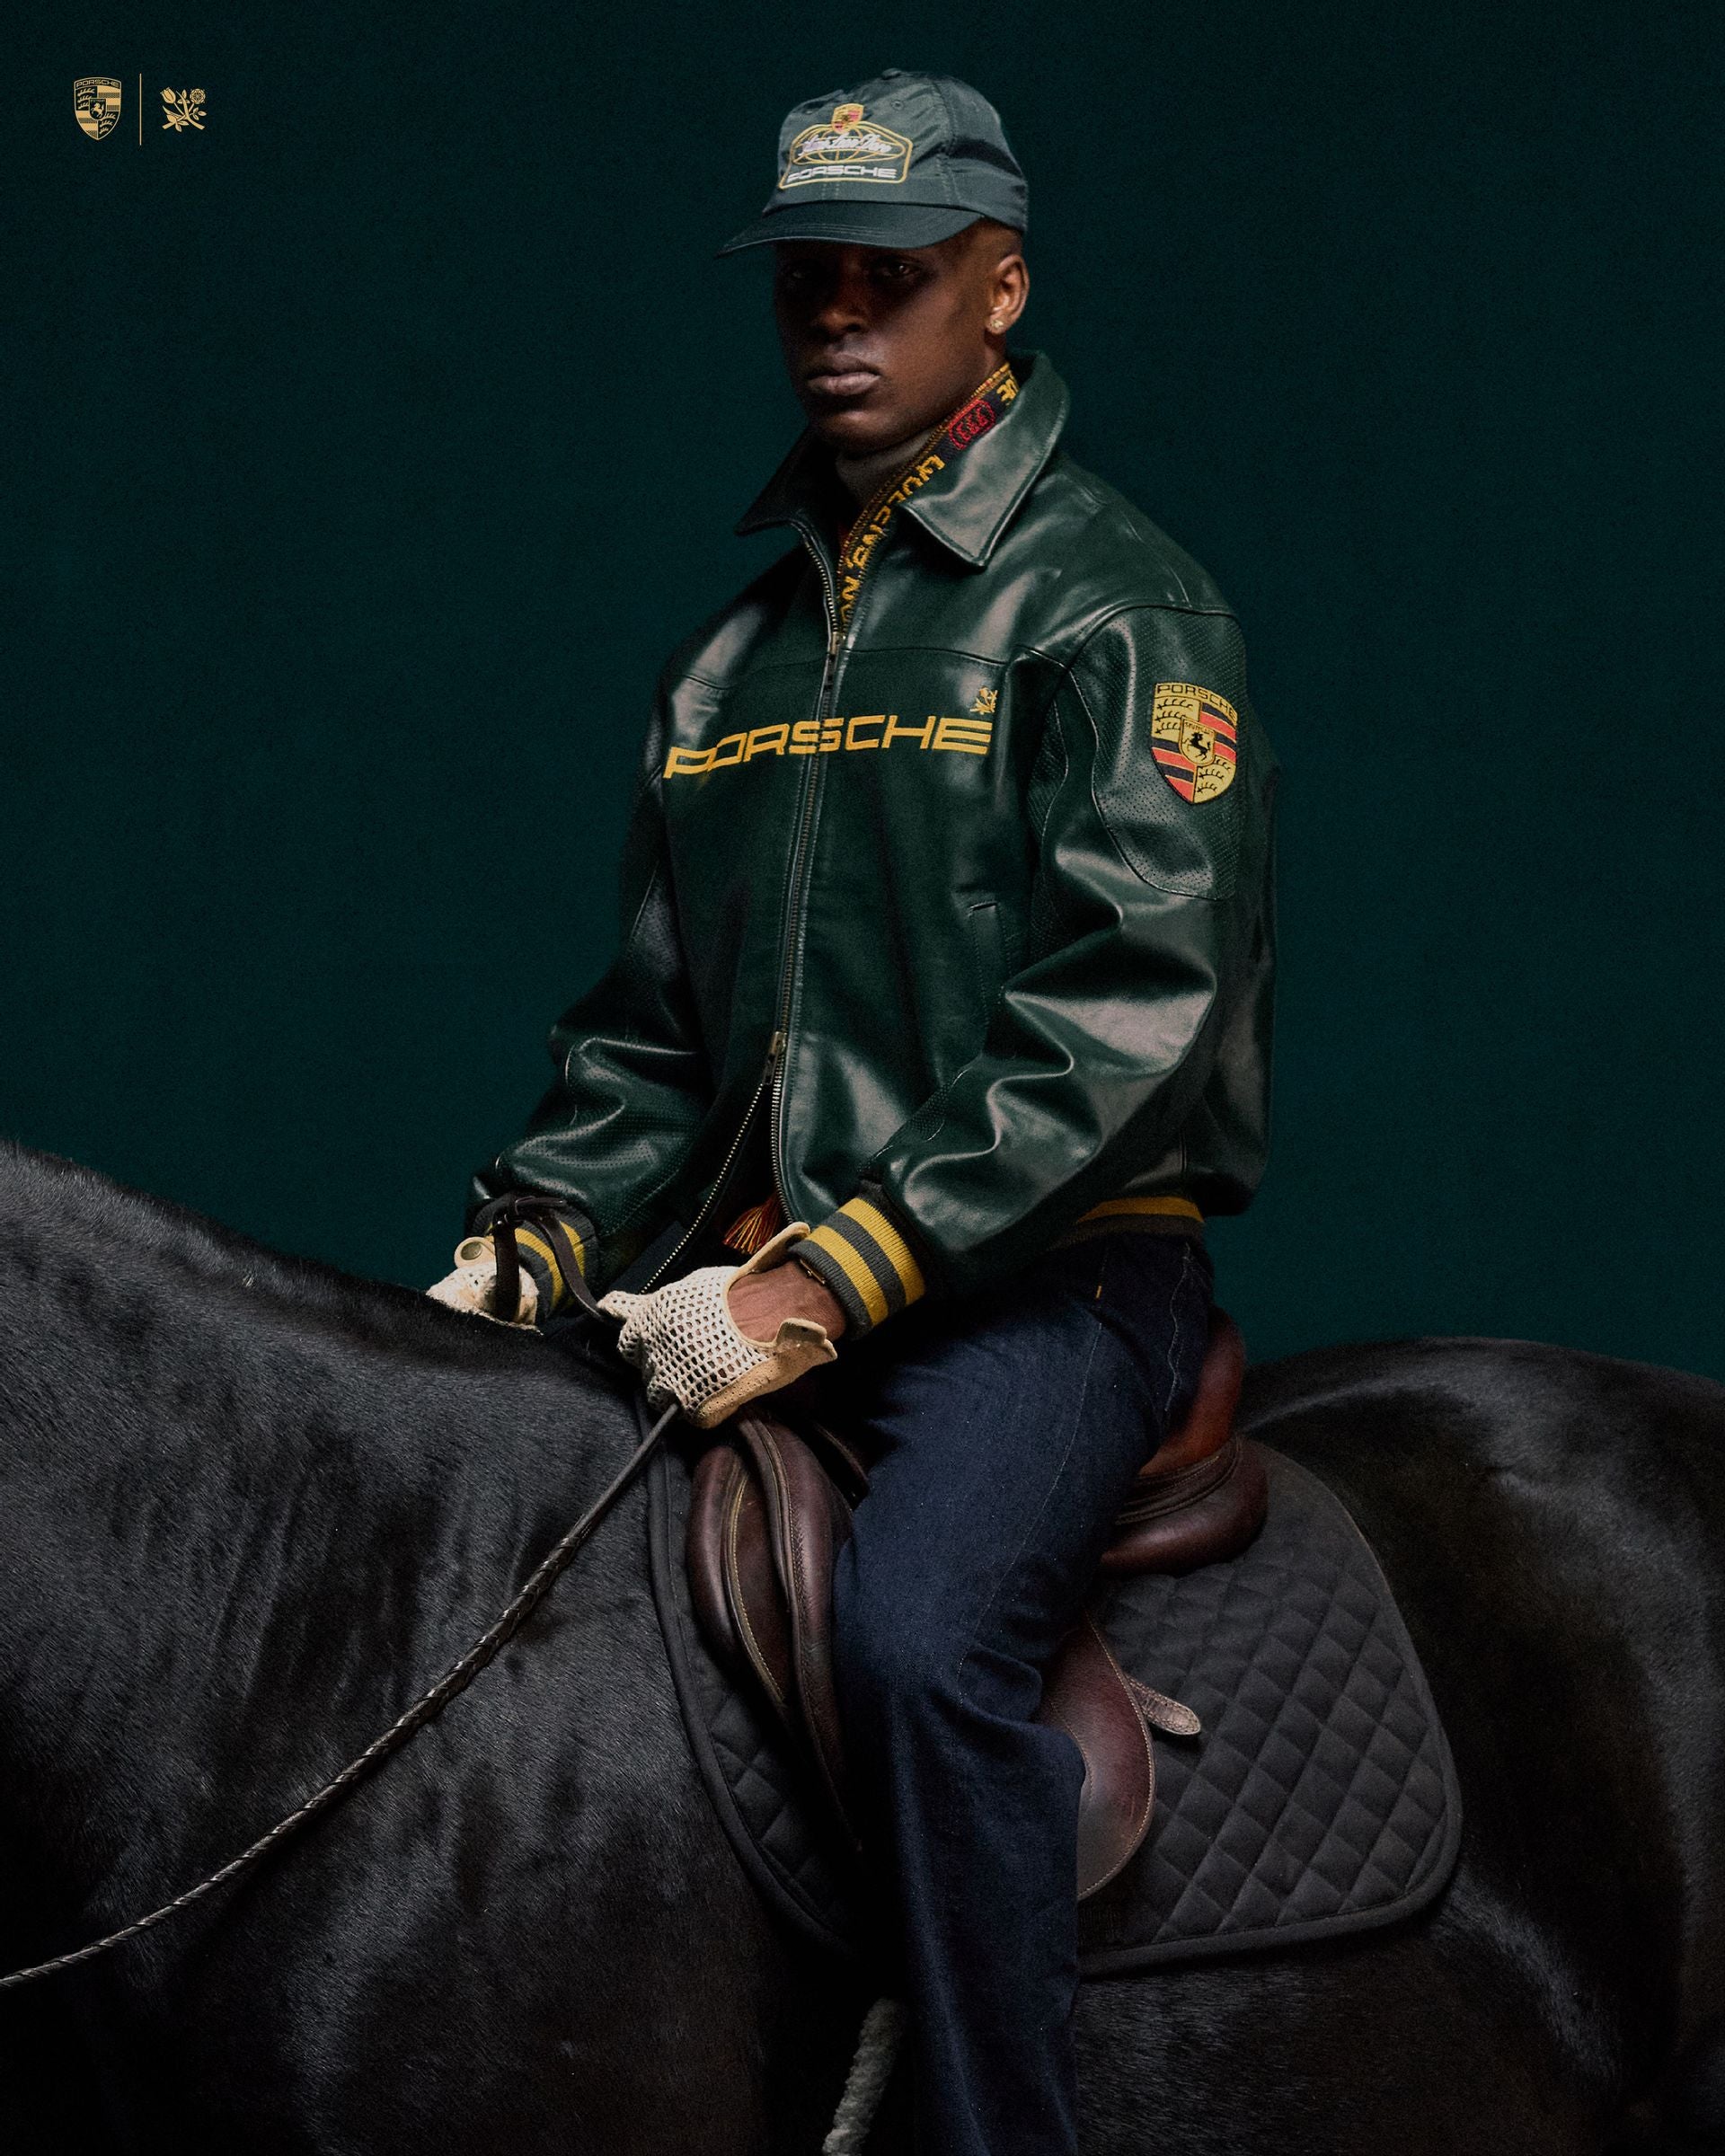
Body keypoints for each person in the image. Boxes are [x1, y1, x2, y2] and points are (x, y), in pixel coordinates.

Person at [431, 67, 1278, 2156]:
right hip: (760, 1277)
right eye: (811, 278)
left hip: (1049, 1297)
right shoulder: (728, 668)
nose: (838, 317)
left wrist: (836, 1273)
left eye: (889, 279)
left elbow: (1130, 1014)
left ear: (999, 289)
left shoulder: (1114, 607)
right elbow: (653, 1038)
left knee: (915, 1643)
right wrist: (529, 1235)